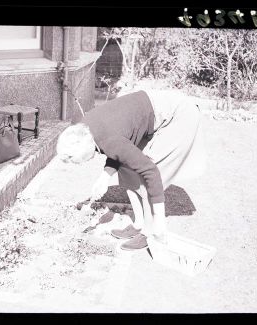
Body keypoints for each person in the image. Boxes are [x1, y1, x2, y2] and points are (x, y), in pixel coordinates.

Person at [56, 89, 206, 250]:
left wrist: (160, 219)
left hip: (178, 114)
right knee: (127, 169)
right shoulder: (85, 128)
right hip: (156, 109)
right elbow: (119, 149)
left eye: (77, 161)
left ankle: (150, 231)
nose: (79, 164)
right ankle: (139, 223)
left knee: (147, 172)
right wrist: (104, 177)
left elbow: (150, 171)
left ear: (82, 147)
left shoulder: (108, 139)